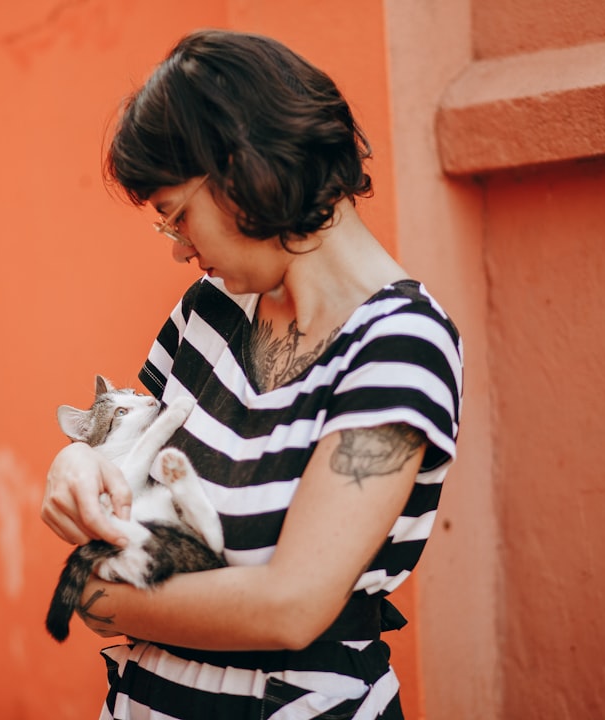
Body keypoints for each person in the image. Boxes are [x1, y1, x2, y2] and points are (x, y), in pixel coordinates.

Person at [41, 28, 463, 720]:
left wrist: (97, 595)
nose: (180, 252)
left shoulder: (400, 347)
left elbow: (291, 607)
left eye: (179, 218)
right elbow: (130, 459)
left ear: (243, 171)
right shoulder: (211, 308)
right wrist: (74, 465)